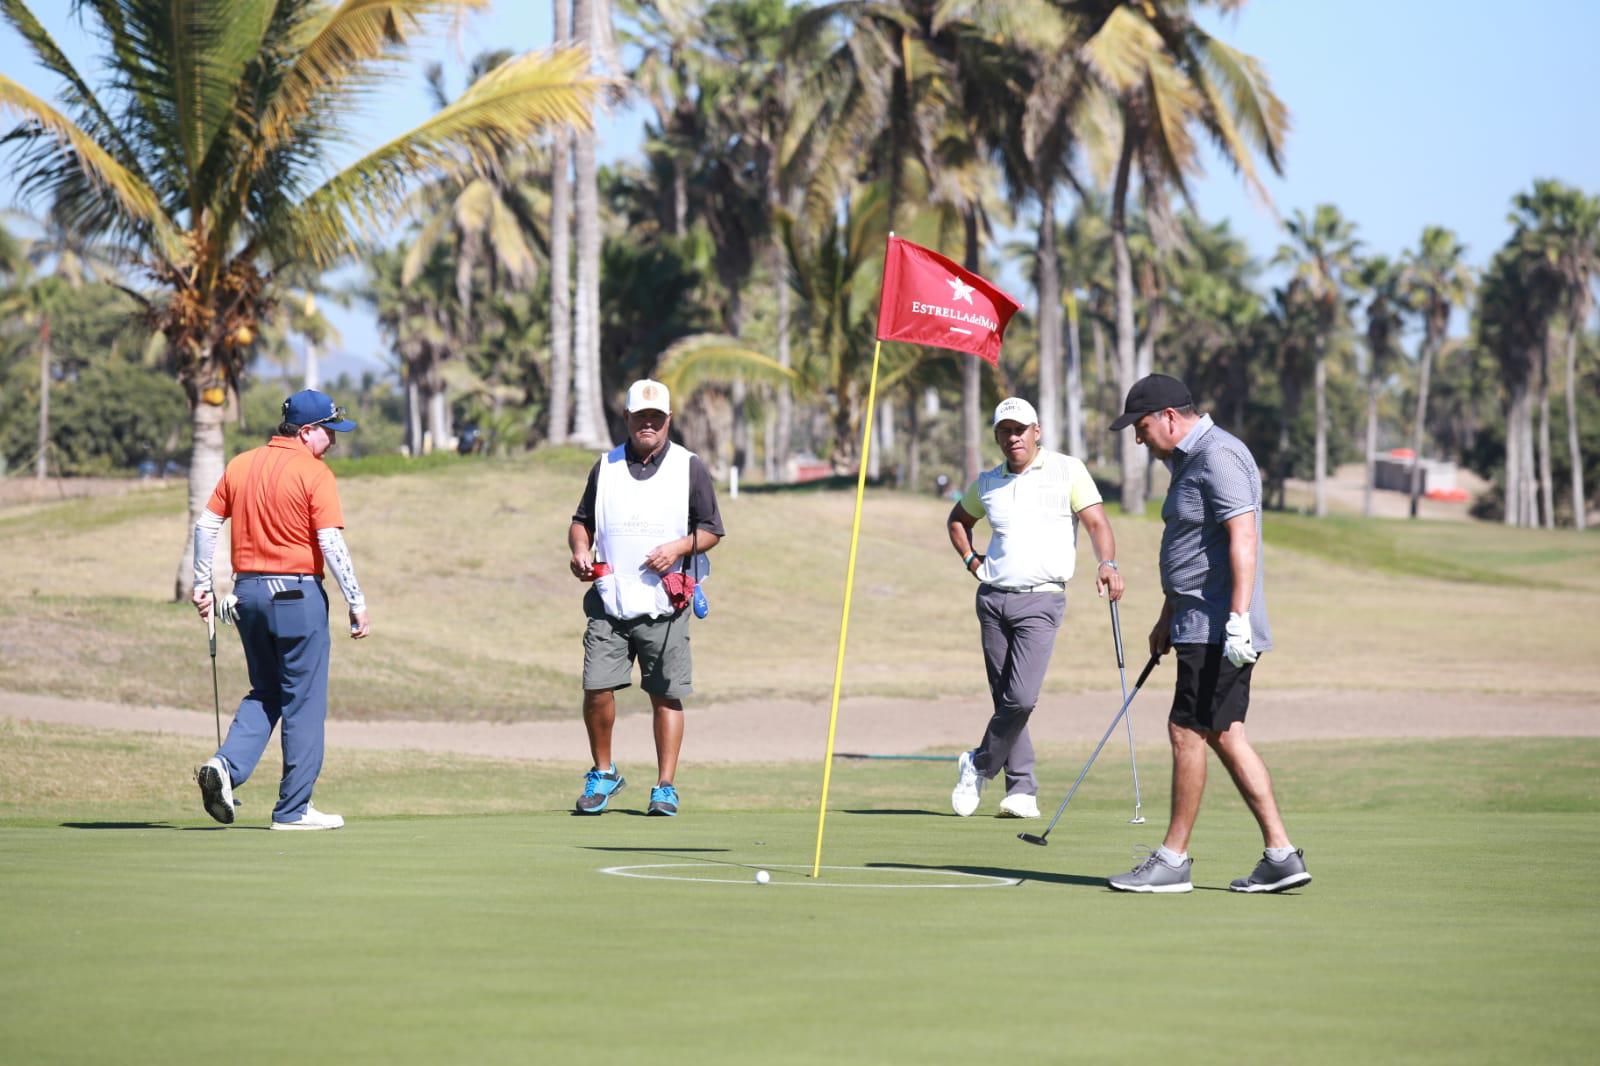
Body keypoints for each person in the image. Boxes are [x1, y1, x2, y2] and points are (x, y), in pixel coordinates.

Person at [1105, 374, 1311, 894]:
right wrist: (1167, 614)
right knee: (1225, 734)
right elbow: (1195, 549)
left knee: (1186, 731)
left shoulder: (1218, 455)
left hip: (1220, 627)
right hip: (1197, 620)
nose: (1139, 438)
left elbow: (1242, 538)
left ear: (1171, 417)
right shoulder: (1188, 461)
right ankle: (1281, 855)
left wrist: (1238, 618)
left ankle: (1173, 860)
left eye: (1143, 426)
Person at [190, 389, 371, 831]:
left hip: (247, 597)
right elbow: (330, 541)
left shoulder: (241, 463)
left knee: (267, 691)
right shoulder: (315, 473)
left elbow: (207, 524)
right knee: (303, 701)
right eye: (328, 432)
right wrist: (357, 601)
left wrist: (202, 584)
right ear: (307, 432)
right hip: (296, 597)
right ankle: (293, 810)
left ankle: (225, 767)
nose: (333, 441)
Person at [946, 397, 1125, 819]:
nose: (1014, 437)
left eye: (1021, 429)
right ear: (997, 436)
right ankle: (1021, 789)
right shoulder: (988, 483)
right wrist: (973, 561)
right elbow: (958, 520)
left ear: (1036, 431)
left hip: (1042, 599)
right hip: (992, 600)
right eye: (1006, 431)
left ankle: (977, 764)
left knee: (1021, 697)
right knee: (1005, 697)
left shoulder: (1067, 470)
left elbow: (1098, 522)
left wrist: (1107, 562)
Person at [567, 379, 724, 817]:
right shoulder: (606, 467)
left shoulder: (689, 467)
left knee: (666, 694)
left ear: (668, 420)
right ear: (629, 419)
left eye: (657, 418)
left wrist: (676, 549)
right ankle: (604, 773)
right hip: (610, 598)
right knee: (596, 686)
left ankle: (665, 786)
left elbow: (711, 529)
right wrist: (580, 550)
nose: (648, 425)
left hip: (665, 604)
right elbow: (581, 522)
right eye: (641, 418)